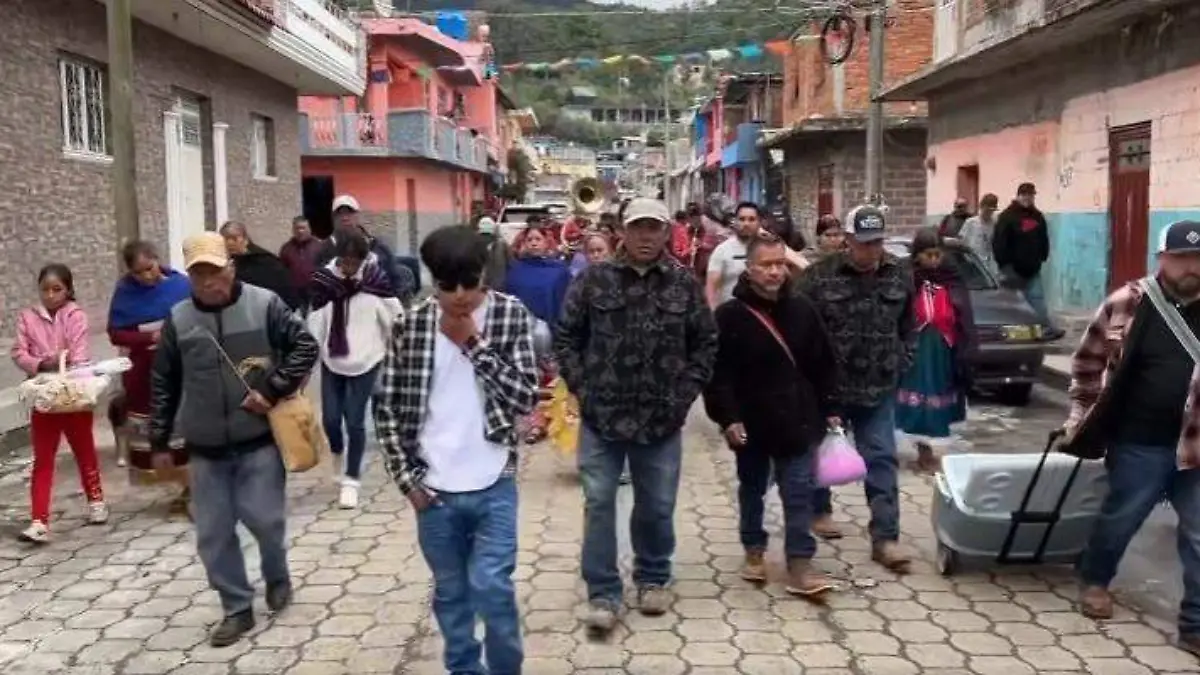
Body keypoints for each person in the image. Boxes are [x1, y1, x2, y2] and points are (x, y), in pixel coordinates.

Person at [373, 225, 538, 675]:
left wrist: (472, 342)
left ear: (485, 273)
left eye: (471, 282)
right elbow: (385, 405)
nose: (461, 296)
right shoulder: (411, 324)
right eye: (449, 286)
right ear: (434, 281)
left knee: (491, 587)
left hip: (493, 481)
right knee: (451, 594)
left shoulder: (509, 315)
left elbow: (525, 396)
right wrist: (407, 482)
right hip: (434, 490)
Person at [555, 197, 718, 632]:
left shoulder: (683, 285)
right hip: (602, 417)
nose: (646, 236)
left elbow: (705, 343)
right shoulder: (594, 280)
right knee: (600, 502)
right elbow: (566, 336)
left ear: (667, 233)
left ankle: (652, 577)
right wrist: (582, 388)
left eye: (655, 228)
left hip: (661, 419)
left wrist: (684, 395)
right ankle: (604, 592)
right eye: (638, 227)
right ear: (621, 232)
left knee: (657, 505)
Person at [150, 232, 318, 647]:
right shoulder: (179, 319)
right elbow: (164, 382)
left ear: (231, 267)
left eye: (215, 271)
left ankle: (277, 575)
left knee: (265, 520)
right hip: (205, 447)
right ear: (189, 277)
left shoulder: (265, 305)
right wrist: (159, 442)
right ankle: (236, 607)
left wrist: (272, 388)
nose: (209, 283)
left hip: (258, 440)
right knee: (213, 533)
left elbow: (304, 346)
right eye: (199, 275)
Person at [1063, 220, 1200, 654]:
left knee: (1199, 533)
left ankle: (1195, 624)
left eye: (1198, 259)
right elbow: (1088, 362)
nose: (1190, 267)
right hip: (1140, 440)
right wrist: (1079, 417)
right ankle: (1095, 579)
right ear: (1162, 259)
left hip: (1196, 446)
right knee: (1123, 515)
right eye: (1181, 258)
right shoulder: (1129, 302)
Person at [704, 231, 839, 596]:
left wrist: (830, 409)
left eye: (780, 263)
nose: (775, 272)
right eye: (766, 265)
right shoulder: (729, 317)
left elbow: (823, 363)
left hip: (797, 422)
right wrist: (727, 418)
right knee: (752, 489)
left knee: (799, 493)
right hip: (751, 424)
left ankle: (800, 562)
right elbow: (717, 375)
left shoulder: (803, 310)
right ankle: (753, 549)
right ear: (749, 269)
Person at [796, 205, 916, 571]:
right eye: (863, 243)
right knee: (816, 454)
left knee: (881, 457)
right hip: (828, 388)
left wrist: (902, 361)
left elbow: (909, 326)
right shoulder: (818, 277)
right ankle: (818, 510)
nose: (871, 250)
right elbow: (800, 328)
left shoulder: (899, 274)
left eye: (877, 242)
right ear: (847, 240)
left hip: (877, 388)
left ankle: (885, 537)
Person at [12, 264, 107, 543]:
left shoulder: (75, 315)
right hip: (44, 396)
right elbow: (19, 352)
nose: (51, 295)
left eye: (57, 289)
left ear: (68, 290)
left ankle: (96, 500)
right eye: (45, 289)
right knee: (43, 459)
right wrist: (41, 362)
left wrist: (65, 364)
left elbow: (79, 352)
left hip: (74, 393)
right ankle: (39, 519)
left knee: (84, 449)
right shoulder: (28, 318)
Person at [308, 233, 403, 509]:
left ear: (362, 260)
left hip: (366, 360)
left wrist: (398, 346)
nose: (349, 268)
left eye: (354, 262)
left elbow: (395, 318)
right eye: (344, 262)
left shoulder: (375, 282)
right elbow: (316, 319)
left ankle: (351, 480)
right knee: (330, 419)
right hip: (332, 359)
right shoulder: (326, 282)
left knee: (355, 421)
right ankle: (337, 450)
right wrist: (311, 353)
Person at [107, 241, 192, 512]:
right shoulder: (125, 293)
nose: (147, 276)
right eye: (139, 272)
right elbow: (116, 333)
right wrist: (149, 336)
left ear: (158, 260)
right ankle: (180, 486)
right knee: (156, 434)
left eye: (150, 268)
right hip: (145, 373)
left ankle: (193, 488)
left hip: (182, 368)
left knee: (187, 430)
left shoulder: (180, 284)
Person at [895, 229, 975, 474]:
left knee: (938, 399)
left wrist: (966, 349)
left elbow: (964, 316)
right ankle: (922, 451)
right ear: (917, 255)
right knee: (918, 400)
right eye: (928, 255)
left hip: (943, 350)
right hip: (916, 352)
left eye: (937, 254)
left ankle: (928, 452)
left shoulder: (951, 278)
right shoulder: (906, 279)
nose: (933, 260)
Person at [505, 223, 572, 444]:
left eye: (538, 239)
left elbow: (566, 300)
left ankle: (554, 420)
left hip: (551, 332)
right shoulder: (515, 270)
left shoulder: (559, 271)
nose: (533, 242)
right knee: (526, 379)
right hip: (520, 333)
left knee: (551, 380)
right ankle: (534, 423)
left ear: (547, 242)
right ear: (523, 243)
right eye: (529, 239)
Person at [993, 182, 1064, 339]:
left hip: (1033, 269)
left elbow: (1043, 238)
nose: (1027, 198)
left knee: (1037, 300)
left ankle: (1045, 329)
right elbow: (999, 242)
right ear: (1018, 196)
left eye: (1030, 195)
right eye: (1024, 195)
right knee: (1013, 304)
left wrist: (1043, 255)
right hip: (1012, 270)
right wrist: (1005, 265)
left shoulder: (1037, 216)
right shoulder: (1007, 217)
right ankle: (1009, 333)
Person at [315, 194, 417, 302]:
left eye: (350, 212)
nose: (345, 217)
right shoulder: (323, 250)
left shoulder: (378, 247)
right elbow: (318, 285)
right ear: (333, 218)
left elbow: (395, 281)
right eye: (339, 214)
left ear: (358, 216)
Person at [219, 221, 302, 309]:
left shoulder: (266, 262)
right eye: (225, 239)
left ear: (246, 240)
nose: (230, 243)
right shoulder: (223, 263)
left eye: (234, 238)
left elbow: (284, 290)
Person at [706, 202, 762, 307]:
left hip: (762, 316)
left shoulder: (767, 249)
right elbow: (711, 289)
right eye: (742, 219)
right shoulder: (722, 251)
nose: (746, 224)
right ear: (735, 222)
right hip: (730, 317)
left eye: (751, 219)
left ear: (759, 222)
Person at [278, 216, 323, 313]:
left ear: (309, 229)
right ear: (293, 230)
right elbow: (282, 272)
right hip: (295, 295)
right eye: (297, 228)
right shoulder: (286, 248)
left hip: (315, 293)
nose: (300, 231)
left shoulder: (320, 246)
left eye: (303, 228)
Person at [959, 193, 999, 270]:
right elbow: (961, 242)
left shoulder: (995, 223)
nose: (988, 213)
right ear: (981, 207)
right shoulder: (971, 222)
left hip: (988, 263)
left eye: (991, 211)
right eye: (987, 210)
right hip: (972, 262)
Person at [476, 216, 512, 291]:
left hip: (496, 288)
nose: (486, 238)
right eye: (484, 235)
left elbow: (510, 264)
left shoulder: (502, 245)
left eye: (487, 235)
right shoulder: (473, 246)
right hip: (482, 290)